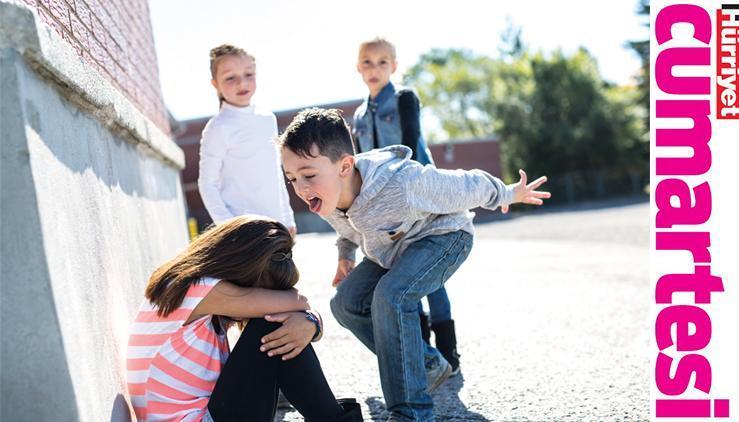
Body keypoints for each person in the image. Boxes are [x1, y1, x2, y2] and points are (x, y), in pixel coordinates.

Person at [277, 108, 550, 421]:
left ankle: (412, 412)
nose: (300, 188)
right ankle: (426, 364)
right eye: (292, 178)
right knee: (345, 303)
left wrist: (507, 192)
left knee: (391, 296)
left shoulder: (401, 183)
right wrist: (345, 256)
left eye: (308, 175)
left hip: (444, 238)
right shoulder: (327, 196)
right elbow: (348, 231)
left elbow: (464, 185)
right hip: (392, 250)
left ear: (344, 166)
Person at [126, 216, 363, 422]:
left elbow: (300, 308)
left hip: (206, 415)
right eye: (261, 292)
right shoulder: (198, 289)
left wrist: (311, 323)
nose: (258, 304)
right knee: (272, 323)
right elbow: (298, 302)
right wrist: (309, 319)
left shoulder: (193, 290)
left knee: (279, 324)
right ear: (241, 270)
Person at [352, 37, 459, 374]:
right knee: (401, 275)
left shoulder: (404, 99)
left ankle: (448, 352)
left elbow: (411, 145)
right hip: (383, 207)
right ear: (358, 67)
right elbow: (360, 164)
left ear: (394, 66)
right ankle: (425, 355)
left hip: (420, 198)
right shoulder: (358, 115)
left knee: (431, 276)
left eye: (383, 62)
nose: (375, 69)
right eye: (367, 62)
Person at [198, 44, 296, 235]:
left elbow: (275, 173)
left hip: (277, 226)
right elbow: (207, 183)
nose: (241, 83)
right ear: (215, 84)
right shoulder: (218, 128)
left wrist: (288, 218)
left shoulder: (268, 119)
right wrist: (229, 227)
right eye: (230, 77)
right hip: (244, 233)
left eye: (248, 74)